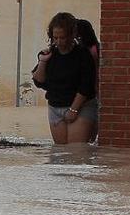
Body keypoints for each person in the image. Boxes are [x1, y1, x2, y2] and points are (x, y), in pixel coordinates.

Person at [32, 12, 98, 144]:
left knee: (76, 150)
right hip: (55, 106)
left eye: (62, 38)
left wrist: (74, 109)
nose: (58, 42)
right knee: (60, 152)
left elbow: (86, 85)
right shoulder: (49, 54)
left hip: (81, 106)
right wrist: (43, 61)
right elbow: (39, 81)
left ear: (72, 35)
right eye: (55, 38)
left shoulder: (83, 54)